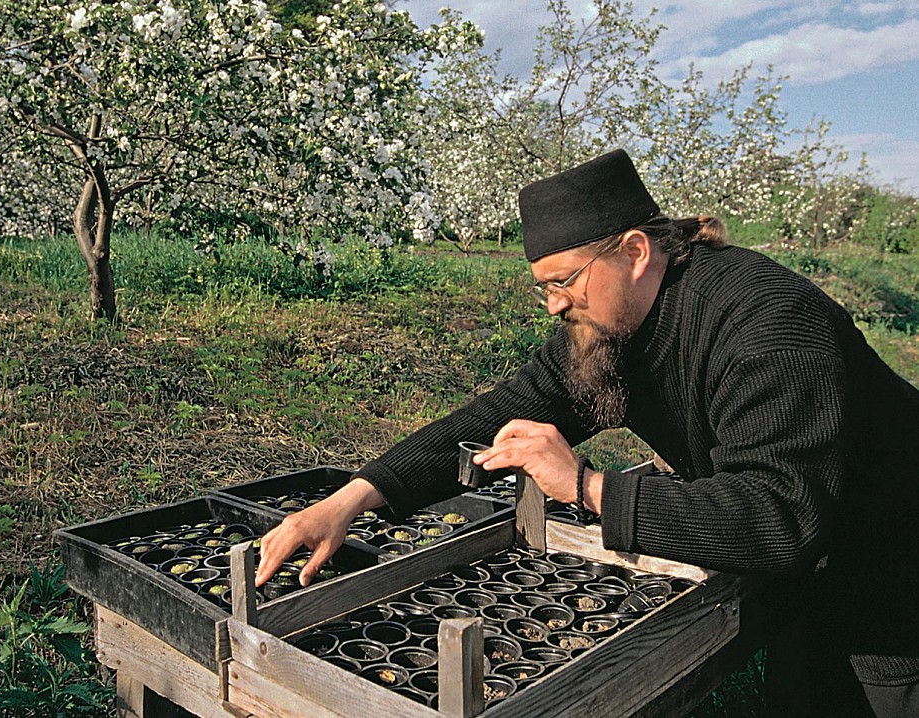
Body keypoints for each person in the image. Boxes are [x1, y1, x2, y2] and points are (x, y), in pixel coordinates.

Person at [255, 149, 919, 717]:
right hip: (810, 561)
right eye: (541, 287)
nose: (552, 304)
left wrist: (585, 485)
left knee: (866, 690)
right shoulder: (608, 330)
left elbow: (779, 516)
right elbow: (498, 413)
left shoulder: (768, 323)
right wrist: (353, 497)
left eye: (564, 281)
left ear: (634, 251)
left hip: (892, 555)